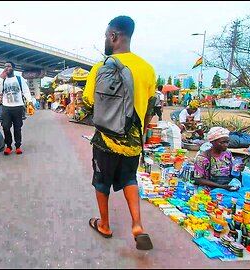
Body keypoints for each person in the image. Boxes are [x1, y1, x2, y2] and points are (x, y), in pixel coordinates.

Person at [83, 15, 154, 250]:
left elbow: (88, 103)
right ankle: (137, 225)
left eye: (106, 36)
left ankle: (104, 224)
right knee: (129, 179)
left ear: (113, 36)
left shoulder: (99, 69)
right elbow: (150, 109)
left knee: (101, 182)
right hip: (133, 140)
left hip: (105, 140)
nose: (105, 39)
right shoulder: (148, 70)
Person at [0, 61, 33, 155]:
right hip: (6, 108)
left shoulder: (19, 79)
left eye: (8, 66)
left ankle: (18, 146)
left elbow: (26, 91)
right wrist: (0, 79)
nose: (6, 68)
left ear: (13, 68)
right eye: (5, 67)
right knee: (6, 127)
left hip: (18, 107)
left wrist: (30, 101)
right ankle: (8, 146)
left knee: (17, 127)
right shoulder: (3, 80)